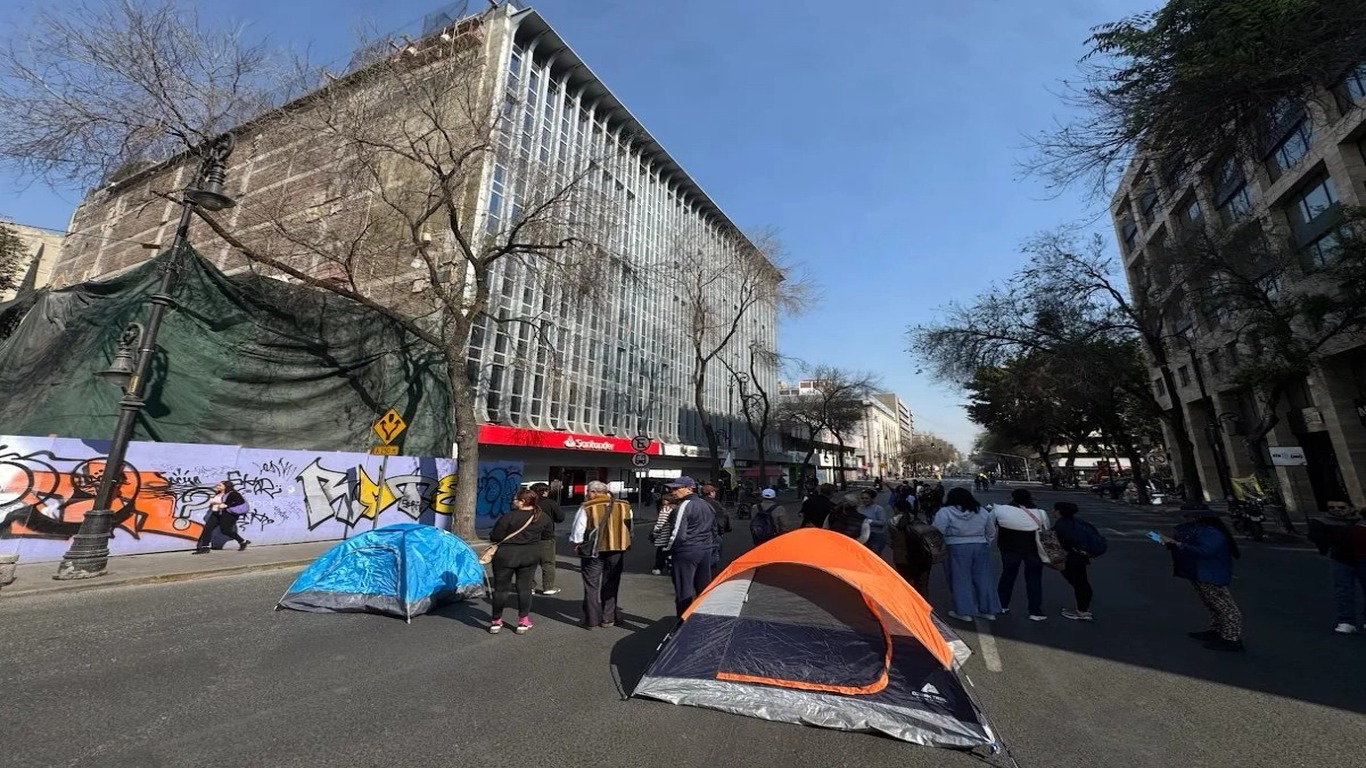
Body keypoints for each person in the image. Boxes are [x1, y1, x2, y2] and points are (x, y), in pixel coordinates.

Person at [1161, 501, 1244, 652]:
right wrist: (1171, 543)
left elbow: (1205, 551)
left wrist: (1179, 545)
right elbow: (1187, 544)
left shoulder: (1212, 532)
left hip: (1210, 572)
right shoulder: (1195, 529)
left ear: (1197, 516)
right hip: (1197, 571)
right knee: (1211, 603)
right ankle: (1216, 629)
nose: (1185, 518)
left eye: (1187, 515)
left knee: (1225, 606)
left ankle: (1232, 638)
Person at [568, 480, 633, 629]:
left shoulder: (587, 507)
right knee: (611, 583)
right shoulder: (624, 505)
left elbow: (578, 530)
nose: (587, 495)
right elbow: (630, 527)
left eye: (588, 492)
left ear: (594, 492)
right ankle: (608, 618)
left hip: (594, 551)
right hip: (617, 549)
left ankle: (591, 620)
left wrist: (577, 544)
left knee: (591, 585)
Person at [487, 489, 552, 634]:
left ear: (522, 502)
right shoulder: (542, 517)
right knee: (524, 588)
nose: (513, 501)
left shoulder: (508, 517)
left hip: (506, 555)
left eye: (515, 499)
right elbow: (548, 535)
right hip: (530, 554)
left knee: (501, 589)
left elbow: (496, 536)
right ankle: (523, 621)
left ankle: (496, 621)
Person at [933, 487, 1000, 623]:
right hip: (979, 546)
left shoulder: (945, 512)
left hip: (955, 546)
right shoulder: (981, 511)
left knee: (960, 580)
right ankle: (988, 610)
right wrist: (986, 541)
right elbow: (991, 530)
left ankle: (964, 611)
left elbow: (937, 531)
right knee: (984, 579)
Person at [661, 477, 716, 617]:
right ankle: (702, 618)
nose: (673, 491)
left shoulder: (684, 506)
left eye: (676, 488)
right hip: (705, 549)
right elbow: (714, 528)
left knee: (684, 590)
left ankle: (683, 622)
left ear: (689, 489)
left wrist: (668, 550)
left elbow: (678, 534)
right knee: (703, 587)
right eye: (672, 488)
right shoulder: (706, 504)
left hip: (686, 551)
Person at [1307, 503, 1366, 634]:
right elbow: (1314, 537)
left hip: (1363, 557)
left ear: (1351, 508)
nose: (1336, 510)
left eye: (1341, 507)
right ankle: (1346, 621)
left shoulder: (1360, 520)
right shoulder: (1323, 521)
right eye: (1332, 507)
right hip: (1340, 559)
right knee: (1344, 590)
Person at [994, 489, 1048, 621]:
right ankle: (1035, 611)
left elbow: (991, 528)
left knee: (1007, 577)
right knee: (1034, 580)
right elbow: (1045, 529)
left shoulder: (1000, 510)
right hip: (1033, 551)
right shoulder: (1041, 513)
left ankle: (1002, 605)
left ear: (1012, 497)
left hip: (1009, 549)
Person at [1050, 501, 1095, 621]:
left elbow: (1055, 543)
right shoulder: (1078, 522)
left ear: (1058, 511)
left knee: (1079, 584)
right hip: (1081, 557)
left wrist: (1054, 560)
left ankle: (1082, 611)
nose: (1052, 511)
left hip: (1069, 559)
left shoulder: (1061, 525)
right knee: (1082, 582)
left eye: (1054, 509)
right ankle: (1083, 609)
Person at [889, 499, 933, 595]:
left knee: (906, 583)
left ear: (896, 509)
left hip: (901, 557)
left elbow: (889, 540)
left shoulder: (892, 522)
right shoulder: (919, 520)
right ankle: (923, 603)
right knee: (922, 584)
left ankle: (909, 602)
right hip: (922, 557)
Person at [193, 480, 250, 553]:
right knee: (207, 529)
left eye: (220, 485)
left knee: (225, 531)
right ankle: (205, 547)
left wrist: (227, 505)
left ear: (226, 486)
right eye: (217, 485)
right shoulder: (218, 493)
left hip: (228, 515)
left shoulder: (233, 493)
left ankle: (242, 541)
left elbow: (240, 502)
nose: (217, 486)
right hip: (216, 514)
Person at [530, 482, 565, 596]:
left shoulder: (529, 502)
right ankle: (548, 587)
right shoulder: (550, 503)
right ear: (545, 491)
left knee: (530, 563)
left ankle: (530, 587)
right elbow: (560, 517)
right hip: (546, 535)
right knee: (548, 562)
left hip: (529, 537)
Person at [699, 484, 730, 567]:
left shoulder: (697, 502)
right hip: (712, 531)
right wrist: (722, 531)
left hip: (698, 532)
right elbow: (721, 519)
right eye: (714, 492)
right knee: (715, 552)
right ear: (711, 493)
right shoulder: (715, 504)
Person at [857, 490, 889, 556]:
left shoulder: (878, 509)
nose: (864, 500)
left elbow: (882, 522)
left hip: (876, 536)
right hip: (862, 535)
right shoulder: (859, 508)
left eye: (866, 498)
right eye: (862, 498)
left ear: (872, 499)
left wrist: (869, 521)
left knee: (874, 555)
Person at [650, 495, 676, 576]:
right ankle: (670, 567)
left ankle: (658, 568)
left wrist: (655, 533)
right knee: (670, 553)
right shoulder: (675, 508)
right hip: (672, 535)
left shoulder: (665, 510)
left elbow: (660, 524)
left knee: (661, 554)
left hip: (663, 535)